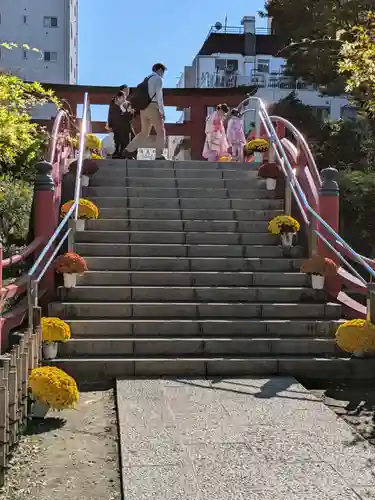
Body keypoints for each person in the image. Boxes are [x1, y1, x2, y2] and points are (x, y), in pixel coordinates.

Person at [124, 63, 167, 160]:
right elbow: (159, 96)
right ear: (160, 70)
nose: (163, 74)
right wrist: (162, 111)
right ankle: (158, 155)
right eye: (163, 72)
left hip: (143, 108)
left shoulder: (146, 79)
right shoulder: (158, 79)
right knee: (160, 131)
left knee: (144, 133)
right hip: (153, 106)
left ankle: (129, 149)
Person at [107, 87, 136, 159]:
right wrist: (110, 124)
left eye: (128, 91)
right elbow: (111, 114)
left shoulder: (127, 104)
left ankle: (128, 154)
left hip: (125, 126)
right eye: (125, 91)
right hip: (118, 126)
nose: (127, 93)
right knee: (119, 141)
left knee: (128, 139)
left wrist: (130, 112)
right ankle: (120, 153)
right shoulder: (114, 104)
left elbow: (129, 117)